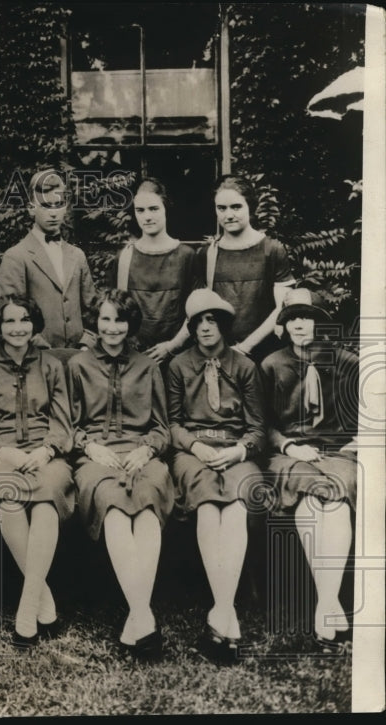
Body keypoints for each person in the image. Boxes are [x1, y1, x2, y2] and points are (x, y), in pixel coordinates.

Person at [67, 289, 173, 660]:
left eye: (120, 320)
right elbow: (68, 424)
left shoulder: (148, 366)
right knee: (113, 506)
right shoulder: (78, 365)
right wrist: (89, 447)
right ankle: (144, 618)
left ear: (131, 325)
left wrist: (147, 450)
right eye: (106, 319)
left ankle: (137, 618)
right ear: (96, 322)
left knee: (146, 507)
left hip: (142, 455)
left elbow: (162, 427)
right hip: (97, 456)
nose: (112, 328)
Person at [166, 288, 266, 664]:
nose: (206, 329)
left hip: (236, 449)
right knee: (209, 505)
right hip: (195, 451)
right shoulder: (178, 367)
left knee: (238, 505)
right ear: (190, 329)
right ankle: (228, 611)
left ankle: (220, 612)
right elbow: (172, 423)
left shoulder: (244, 366)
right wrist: (196, 448)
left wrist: (239, 451)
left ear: (223, 325)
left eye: (212, 321)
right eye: (198, 323)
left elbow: (258, 427)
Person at [0, 294, 75, 650]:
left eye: (25, 320)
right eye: (10, 321)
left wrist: (46, 450)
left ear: (34, 323)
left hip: (46, 455)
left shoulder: (51, 365)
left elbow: (64, 424)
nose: (18, 328)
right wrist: (6, 452)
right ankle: (43, 602)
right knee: (9, 499)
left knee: (46, 500)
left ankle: (27, 609)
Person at [260, 287, 358, 651]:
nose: (300, 324)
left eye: (307, 317)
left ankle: (326, 605)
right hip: (291, 454)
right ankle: (331, 609)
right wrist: (289, 446)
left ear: (319, 322)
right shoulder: (271, 365)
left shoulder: (346, 361)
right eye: (292, 318)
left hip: (337, 454)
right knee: (308, 492)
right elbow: (262, 425)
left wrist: (357, 442)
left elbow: (371, 413)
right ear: (284, 325)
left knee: (330, 499)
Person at [0, 169, 99, 349]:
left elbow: (93, 309)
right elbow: (11, 315)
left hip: (79, 358)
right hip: (37, 358)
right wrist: (41, 349)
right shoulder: (16, 256)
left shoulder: (77, 255)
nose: (53, 213)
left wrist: (86, 343)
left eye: (58, 204)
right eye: (45, 205)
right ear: (31, 208)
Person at [199, 175, 295, 363]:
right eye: (221, 208)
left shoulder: (272, 250)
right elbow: (203, 310)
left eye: (236, 207)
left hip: (266, 355)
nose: (229, 215)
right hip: (221, 355)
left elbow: (282, 309)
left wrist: (245, 347)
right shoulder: (207, 254)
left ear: (250, 206)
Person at [113, 178, 197, 361]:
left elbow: (195, 312)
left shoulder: (186, 256)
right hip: (133, 358)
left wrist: (172, 346)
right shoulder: (124, 257)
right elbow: (116, 310)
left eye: (154, 209)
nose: (147, 217)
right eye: (140, 210)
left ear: (166, 208)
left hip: (178, 356)